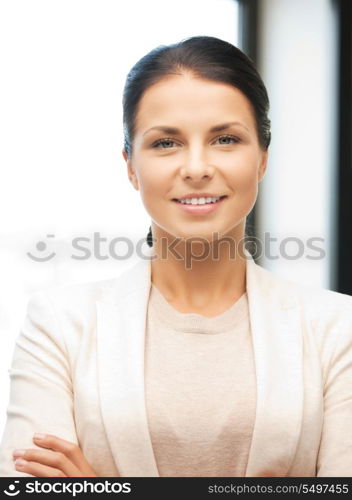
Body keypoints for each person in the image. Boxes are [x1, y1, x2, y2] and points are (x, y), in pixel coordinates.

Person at [0, 35, 351, 478]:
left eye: (225, 139)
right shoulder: (59, 325)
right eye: (166, 143)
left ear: (262, 158)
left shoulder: (338, 329)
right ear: (130, 165)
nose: (197, 167)